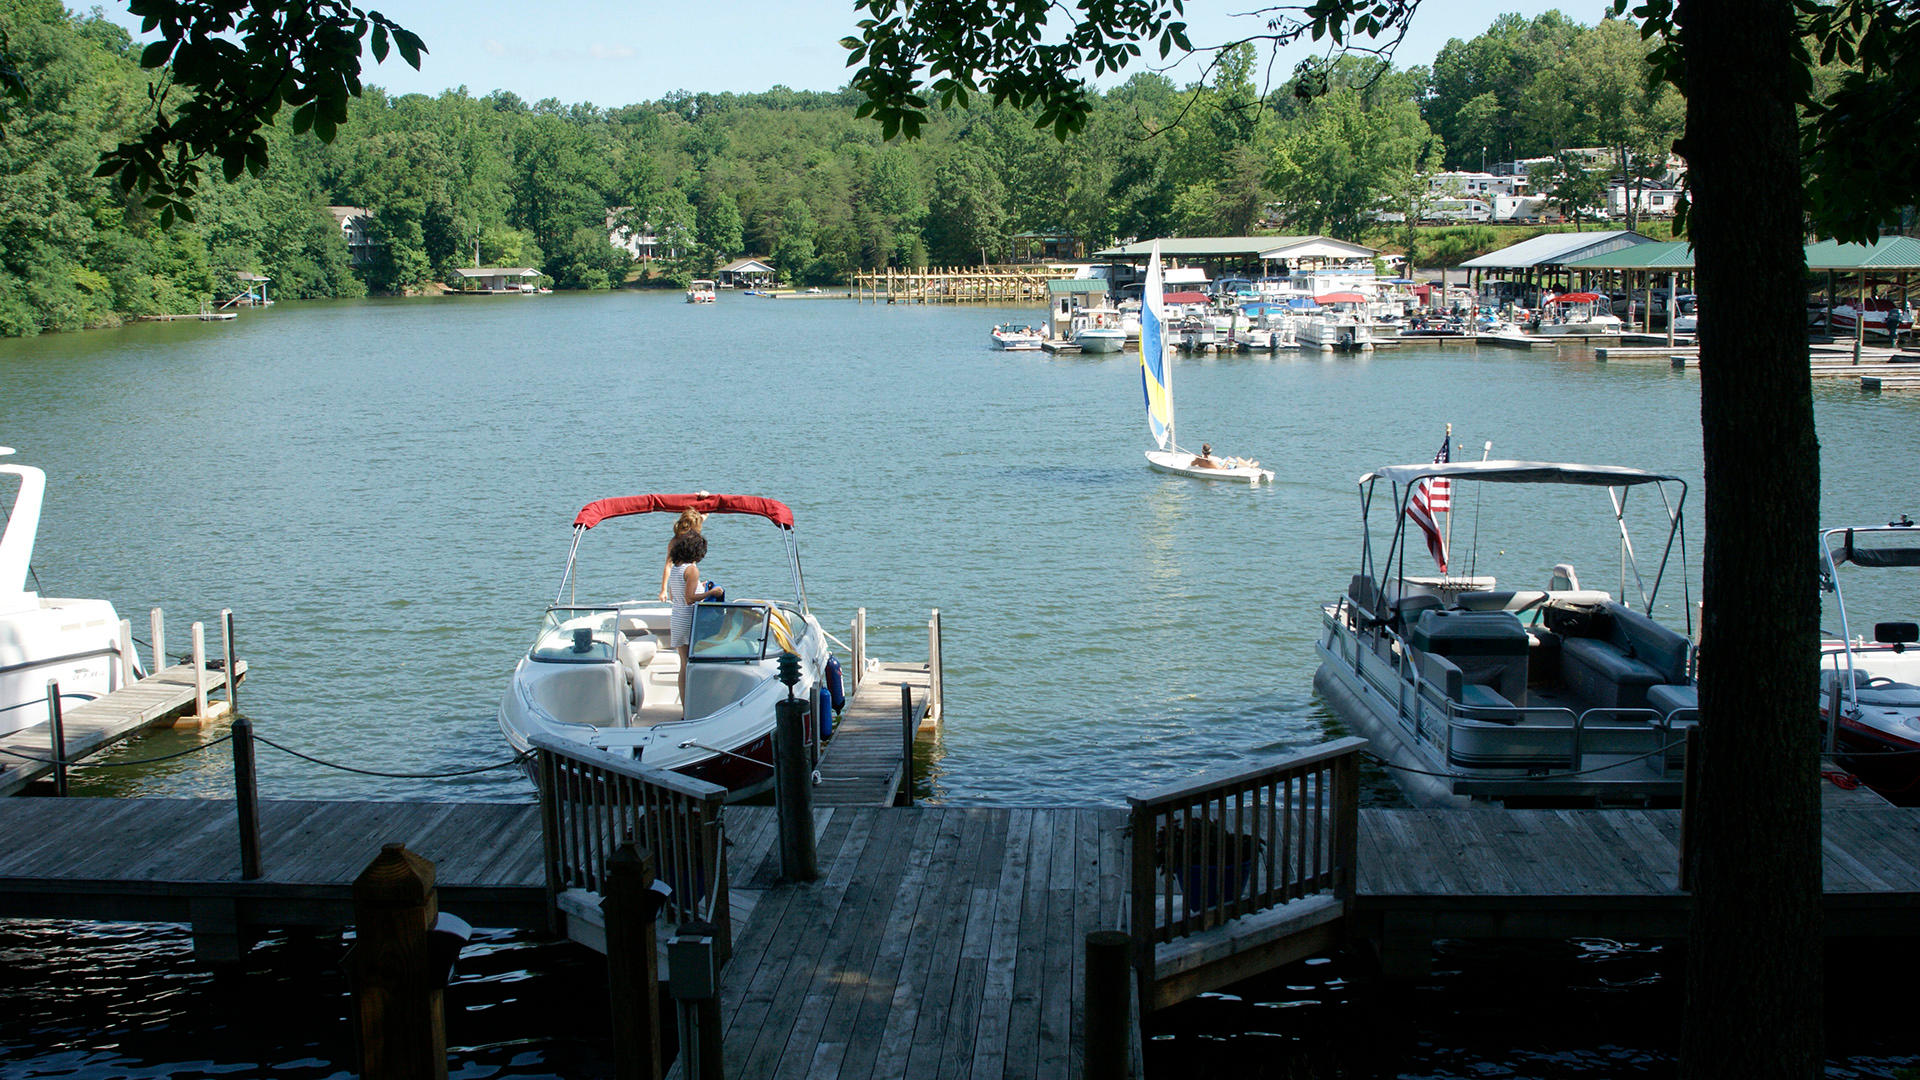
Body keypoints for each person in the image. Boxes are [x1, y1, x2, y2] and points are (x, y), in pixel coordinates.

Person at [667, 530, 723, 713]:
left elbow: (677, 593)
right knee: (696, 665)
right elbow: (690, 598)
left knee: (683, 665)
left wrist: (699, 585)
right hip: (689, 618)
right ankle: (698, 706)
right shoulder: (692, 569)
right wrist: (711, 593)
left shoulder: (676, 567)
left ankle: (686, 709)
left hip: (677, 617)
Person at [659, 507, 705, 601]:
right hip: (681, 579)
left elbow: (705, 514)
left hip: (689, 577)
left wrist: (704, 496)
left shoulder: (693, 534)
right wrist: (664, 590)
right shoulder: (675, 542)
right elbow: (668, 565)